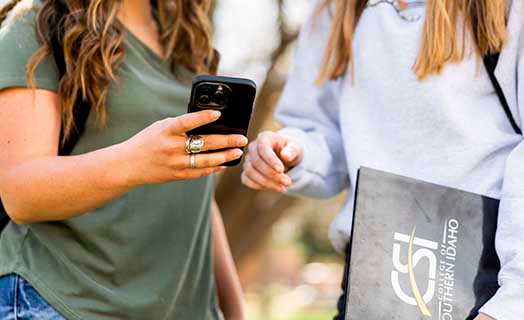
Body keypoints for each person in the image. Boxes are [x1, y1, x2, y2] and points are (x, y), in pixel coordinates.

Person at [241, 0, 524, 319]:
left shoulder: (501, 8)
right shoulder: (337, 11)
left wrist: (512, 303)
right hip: (371, 280)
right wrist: (292, 153)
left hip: (479, 287)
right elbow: (325, 134)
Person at [0, 0, 246, 319]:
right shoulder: (38, 25)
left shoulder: (185, 38)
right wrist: (134, 162)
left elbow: (197, 197)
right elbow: (20, 193)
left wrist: (234, 309)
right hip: (64, 302)